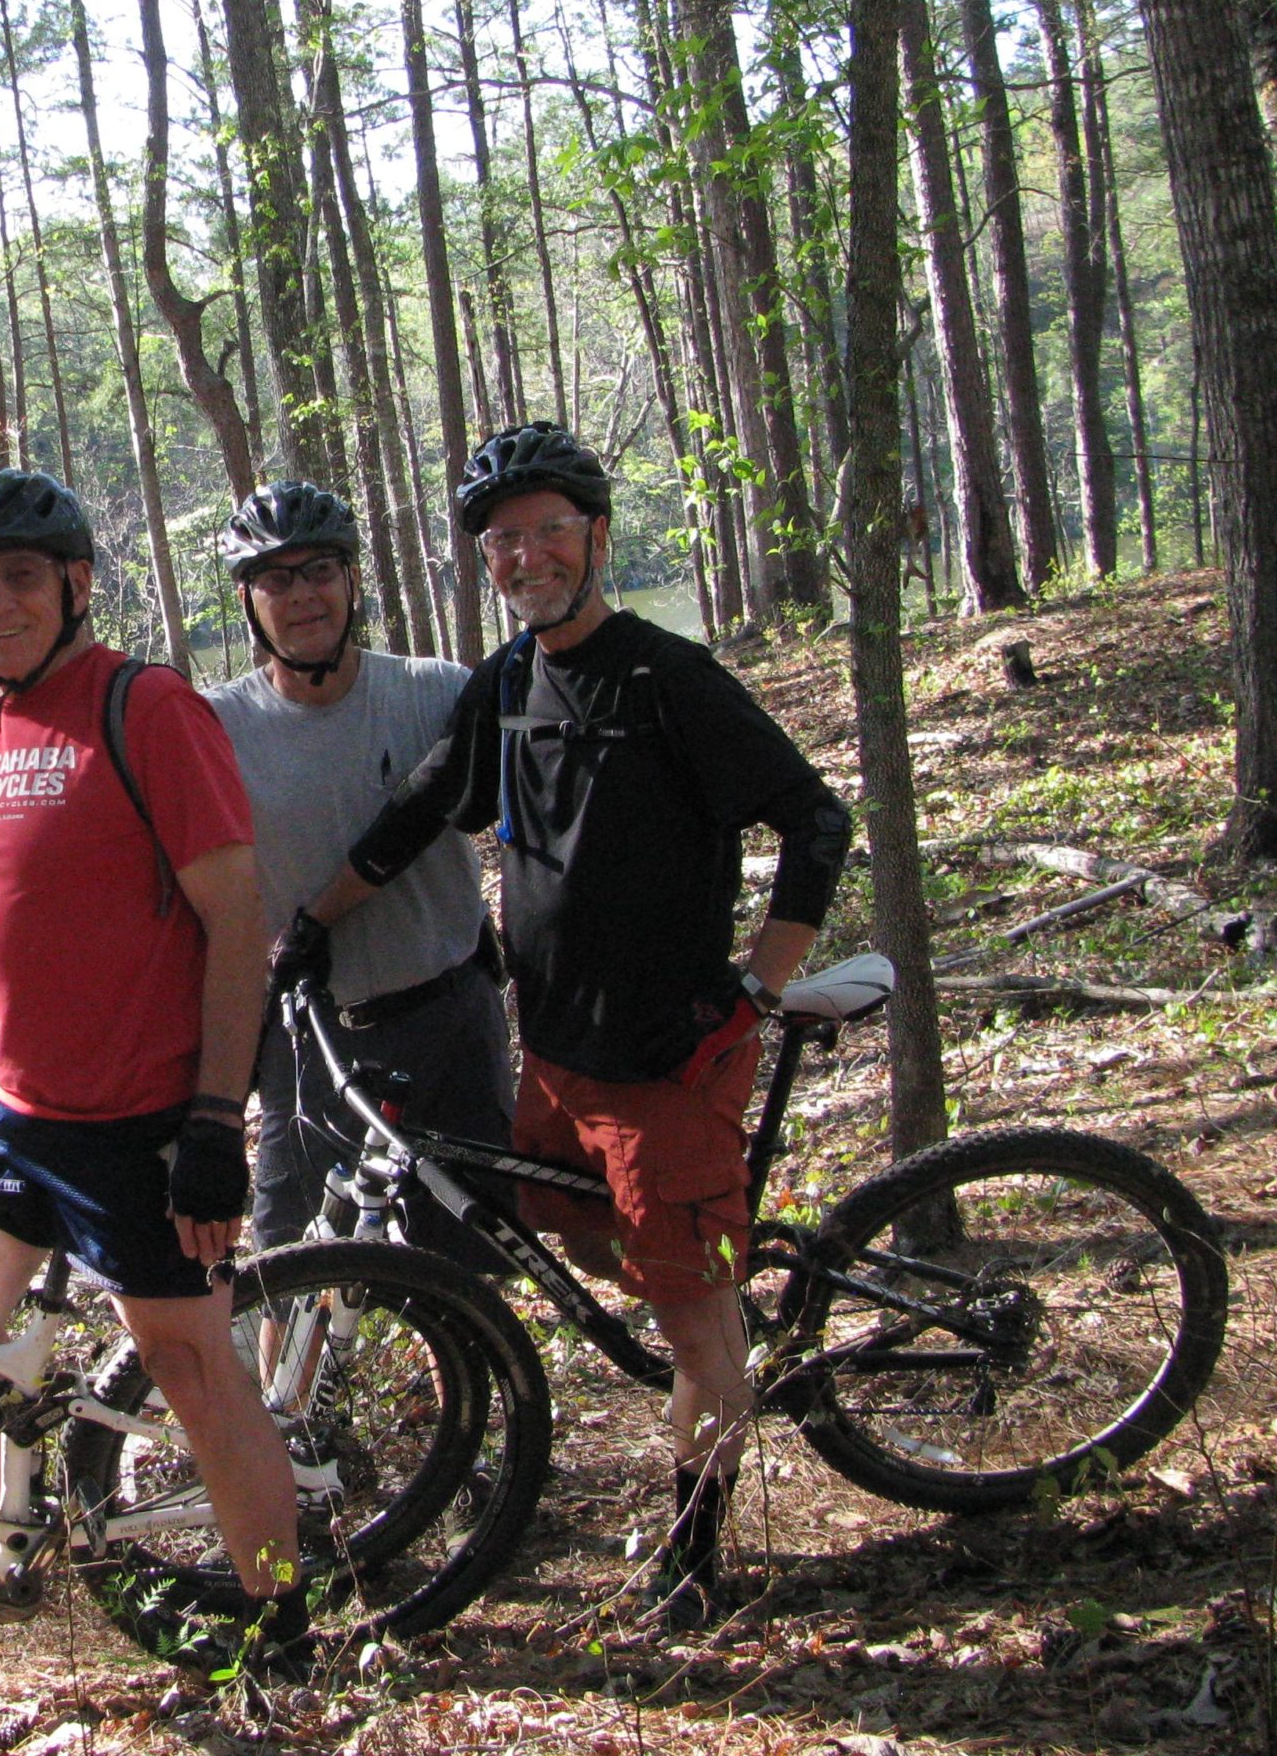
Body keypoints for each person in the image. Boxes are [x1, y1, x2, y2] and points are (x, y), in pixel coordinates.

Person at [280, 423, 851, 1630]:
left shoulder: (666, 678)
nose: (527, 556)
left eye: (548, 531)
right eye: (503, 541)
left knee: (691, 1325)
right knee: (567, 1235)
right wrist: (311, 926)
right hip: (554, 1051)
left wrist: (760, 978)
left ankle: (695, 1561)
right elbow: (415, 811)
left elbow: (813, 821)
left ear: (594, 537)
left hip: (663, 1060)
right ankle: (722, 1318)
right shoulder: (507, 682)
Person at [0, 468, 306, 1657]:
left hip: (139, 1118)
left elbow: (238, 919)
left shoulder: (144, 708)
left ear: (75, 583)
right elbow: (14, 895)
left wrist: (213, 1122)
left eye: (15, 579)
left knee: (191, 1368)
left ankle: (280, 1627)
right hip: (13, 1108)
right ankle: (1, 1551)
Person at [202, 481, 513, 1262]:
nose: (303, 596)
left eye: (320, 572)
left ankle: (475, 1383)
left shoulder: (436, 692)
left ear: (351, 582)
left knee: (471, 1258)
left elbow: (530, 830)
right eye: (277, 579)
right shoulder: (213, 728)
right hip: (311, 1037)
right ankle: (286, 1390)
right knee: (285, 1262)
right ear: (247, 599)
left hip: (449, 1021)